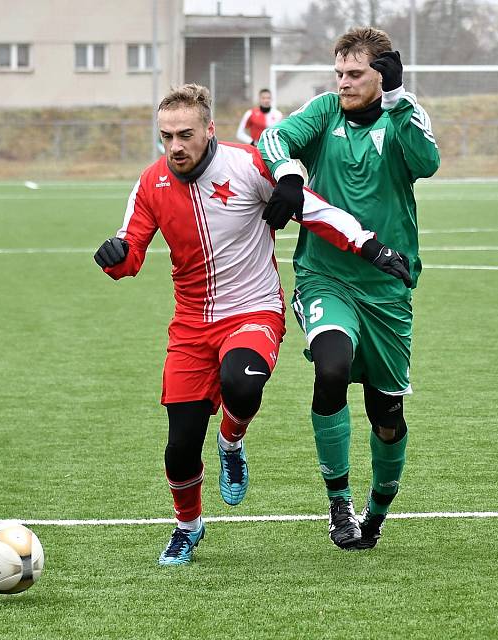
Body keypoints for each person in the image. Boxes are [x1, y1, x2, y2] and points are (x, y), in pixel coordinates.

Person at [94, 83, 411, 566]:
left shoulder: (247, 165)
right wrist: (114, 256)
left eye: (185, 134)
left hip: (254, 311)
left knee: (240, 384)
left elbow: (314, 209)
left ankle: (232, 440)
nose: (175, 146)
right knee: (179, 447)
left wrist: (369, 244)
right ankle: (188, 526)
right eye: (166, 137)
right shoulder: (150, 183)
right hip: (191, 326)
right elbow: (130, 252)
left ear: (209, 130)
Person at [258, 27, 440, 550]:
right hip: (325, 275)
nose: (343, 83)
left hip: (386, 289)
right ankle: (338, 502)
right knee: (331, 365)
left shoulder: (403, 116)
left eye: (355, 74)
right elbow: (272, 140)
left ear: (381, 74)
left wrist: (400, 103)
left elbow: (427, 163)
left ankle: (376, 512)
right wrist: (290, 173)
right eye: (338, 73)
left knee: (387, 418)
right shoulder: (322, 111)